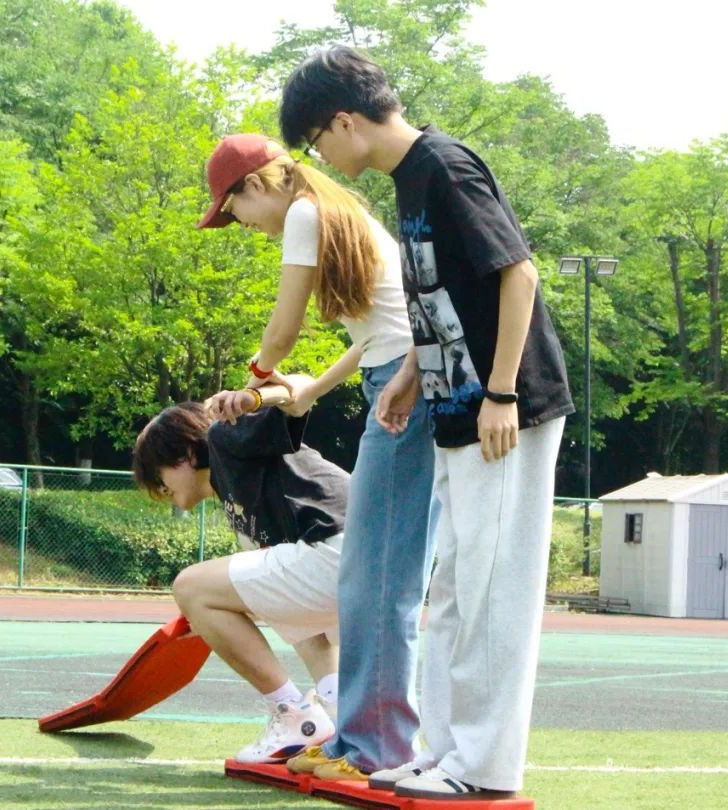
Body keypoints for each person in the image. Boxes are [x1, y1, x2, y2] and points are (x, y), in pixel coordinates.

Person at [278, 46, 575, 800]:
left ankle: (485, 769)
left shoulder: (443, 167)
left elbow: (518, 274)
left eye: (316, 142)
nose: (321, 158)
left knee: (491, 592)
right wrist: (413, 374)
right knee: (452, 592)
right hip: (454, 411)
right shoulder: (409, 179)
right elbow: (442, 299)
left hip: (505, 412)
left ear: (344, 121)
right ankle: (444, 752)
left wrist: (501, 392)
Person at [196, 134, 437, 782]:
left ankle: (373, 749)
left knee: (376, 579)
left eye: (235, 212)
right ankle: (371, 741)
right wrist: (313, 389)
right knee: (381, 578)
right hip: (402, 375)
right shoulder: (338, 209)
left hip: (405, 387)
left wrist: (253, 381)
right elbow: (378, 332)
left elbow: (283, 329)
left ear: (255, 185)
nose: (245, 227)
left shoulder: (305, 212)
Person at [132, 383, 347, 764]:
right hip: (361, 559)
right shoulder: (234, 490)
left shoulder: (224, 438)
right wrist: (216, 616)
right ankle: (338, 707)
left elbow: (297, 395)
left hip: (340, 546)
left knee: (191, 587)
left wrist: (257, 396)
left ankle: (292, 713)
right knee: (277, 599)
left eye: (158, 473)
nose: (159, 488)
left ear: (184, 454)